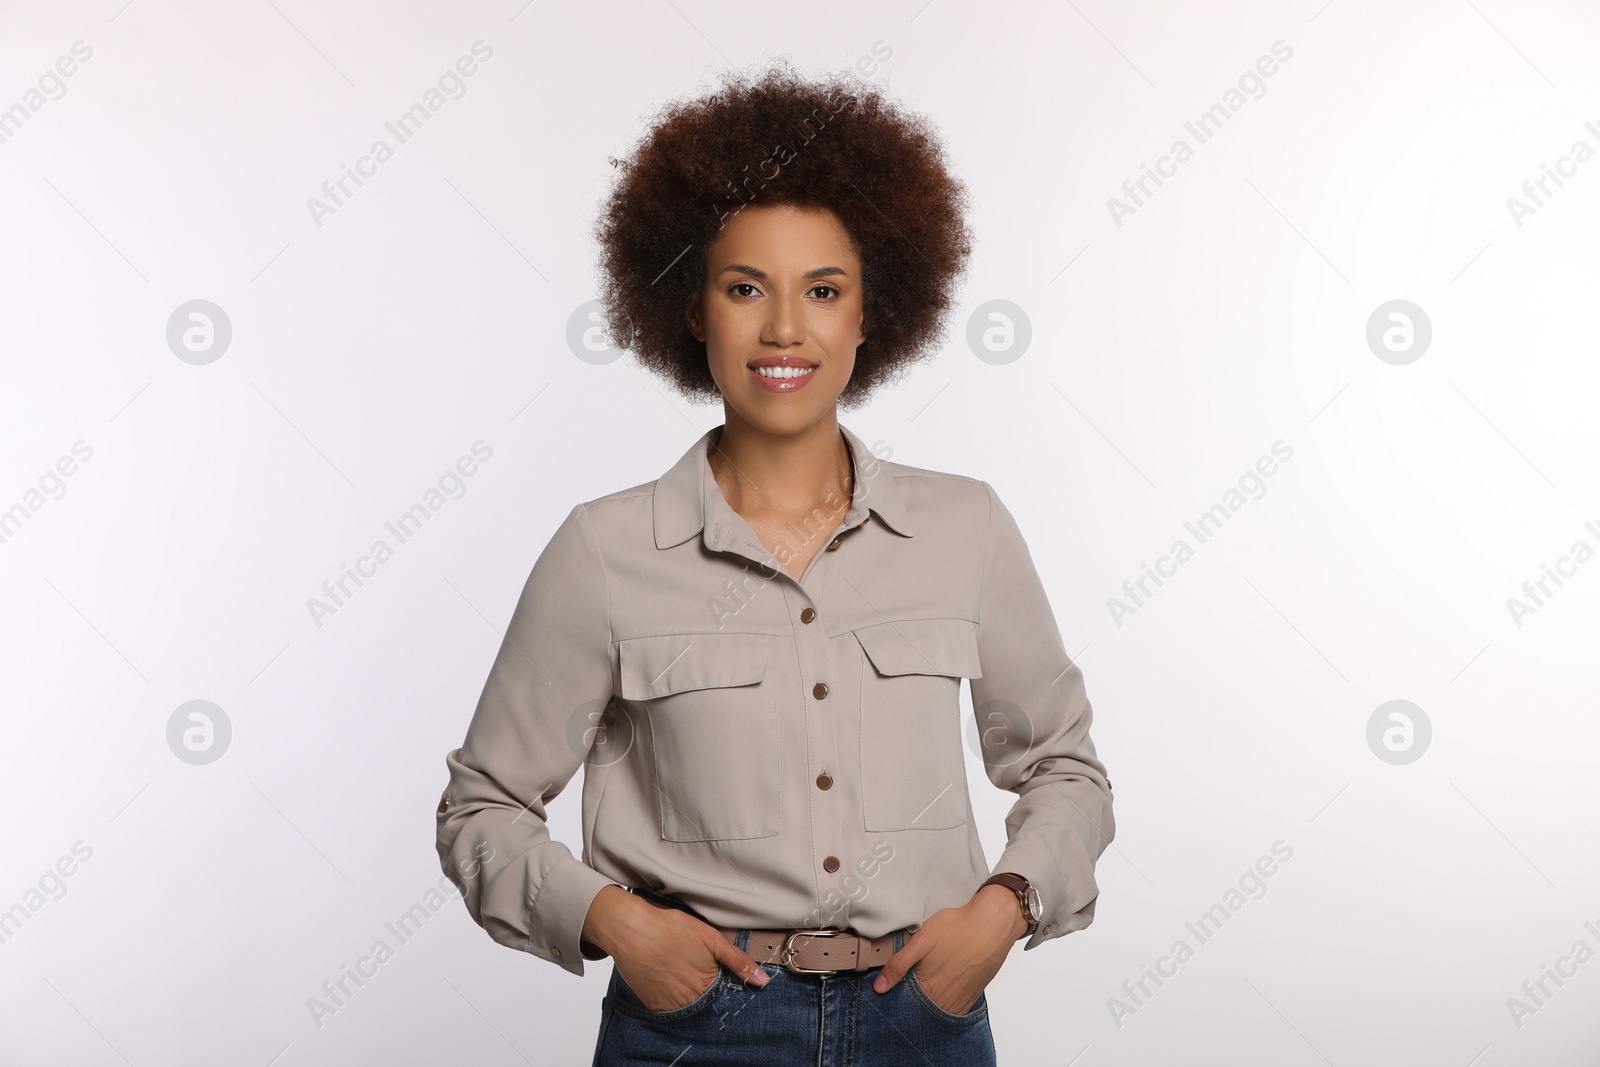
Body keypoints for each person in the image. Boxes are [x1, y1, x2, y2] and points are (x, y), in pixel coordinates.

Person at [435, 58, 1115, 1066]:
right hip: (692, 1025)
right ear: (690, 307)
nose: (785, 328)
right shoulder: (605, 550)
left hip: (917, 1016)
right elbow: (481, 803)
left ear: (868, 314)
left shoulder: (965, 528)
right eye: (745, 287)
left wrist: (999, 913)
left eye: (823, 289)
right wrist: (617, 922)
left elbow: (1064, 766)